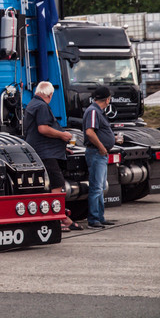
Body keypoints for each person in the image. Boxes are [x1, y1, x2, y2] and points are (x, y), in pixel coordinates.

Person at [24, 81, 82, 232]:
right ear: (49, 95)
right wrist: (63, 135)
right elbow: (43, 129)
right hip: (46, 153)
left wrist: (61, 147)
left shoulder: (32, 104)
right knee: (57, 185)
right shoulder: (42, 106)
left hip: (44, 151)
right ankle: (59, 219)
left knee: (51, 185)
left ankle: (62, 217)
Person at [83, 86, 116, 229]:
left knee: (100, 187)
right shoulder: (93, 111)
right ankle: (94, 219)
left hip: (100, 153)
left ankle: (100, 217)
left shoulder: (98, 112)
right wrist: (102, 147)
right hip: (97, 153)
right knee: (96, 187)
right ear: (107, 99)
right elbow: (90, 132)